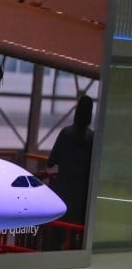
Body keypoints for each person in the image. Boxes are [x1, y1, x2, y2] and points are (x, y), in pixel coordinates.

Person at [46, 95, 95, 248]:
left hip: (63, 193)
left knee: (56, 237)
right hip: (82, 199)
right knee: (76, 239)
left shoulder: (65, 134)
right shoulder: (92, 139)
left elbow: (51, 161)